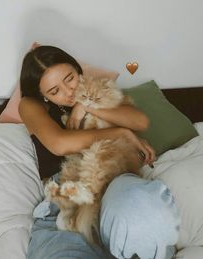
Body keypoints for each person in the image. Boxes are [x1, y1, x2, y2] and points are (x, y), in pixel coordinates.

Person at [19, 44, 180, 259]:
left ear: (77, 70)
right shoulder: (30, 105)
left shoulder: (95, 90)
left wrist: (86, 105)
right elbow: (60, 144)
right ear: (44, 95)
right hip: (68, 197)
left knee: (140, 209)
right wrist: (120, 133)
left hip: (114, 180)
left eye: (69, 78)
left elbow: (140, 121)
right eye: (54, 91)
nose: (69, 92)